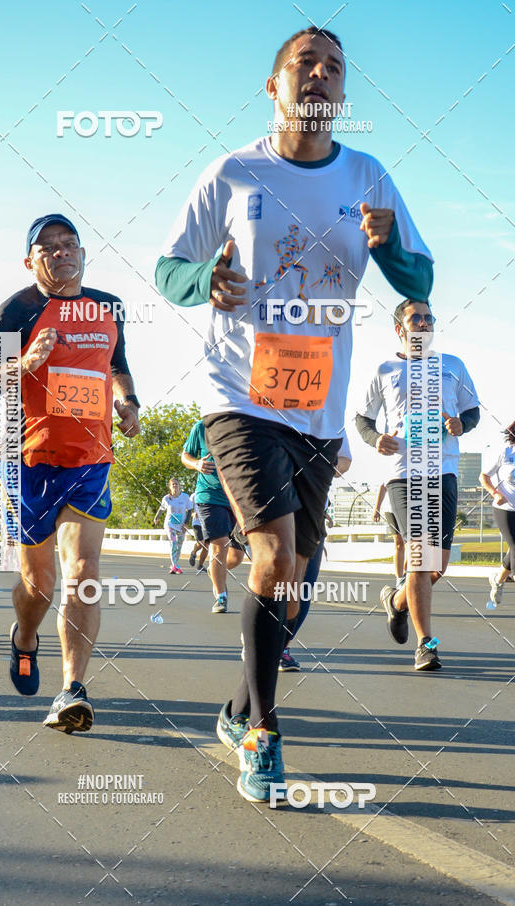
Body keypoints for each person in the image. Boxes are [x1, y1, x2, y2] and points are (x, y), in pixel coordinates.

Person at [156, 26, 433, 800]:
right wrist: (199, 282)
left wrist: (390, 249)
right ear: (273, 88)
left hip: (317, 403)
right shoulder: (233, 172)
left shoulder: (369, 175)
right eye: (304, 65)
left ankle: (241, 702)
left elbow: (421, 278)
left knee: (301, 580)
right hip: (237, 390)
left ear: (342, 93)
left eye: (334, 68)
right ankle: (263, 734)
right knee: (273, 559)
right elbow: (169, 266)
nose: (320, 75)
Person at [0, 213, 140, 733]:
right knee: (38, 586)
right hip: (31, 462)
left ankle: (72, 688)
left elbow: (117, 362)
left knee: (83, 573)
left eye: (69, 243)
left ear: (83, 251)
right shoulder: (18, 310)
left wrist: (128, 401)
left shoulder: (108, 306)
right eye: (47, 247)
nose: (60, 252)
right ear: (30, 261)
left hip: (91, 459)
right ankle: (24, 637)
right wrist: (20, 364)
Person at [356, 299, 479, 671]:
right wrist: (375, 439)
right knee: (421, 558)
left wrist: (461, 425)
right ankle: (427, 644)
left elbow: (471, 410)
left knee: (436, 565)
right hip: (403, 471)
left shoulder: (452, 366)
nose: (423, 323)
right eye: (416, 319)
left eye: (428, 318)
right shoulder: (384, 369)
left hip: (444, 469)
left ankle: (396, 602)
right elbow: (363, 419)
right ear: (400, 329)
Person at [279, 439, 351, 671]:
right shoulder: (274, 410)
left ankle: (281, 646)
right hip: (276, 507)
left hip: (314, 510)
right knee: (275, 579)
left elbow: (345, 461)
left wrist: (315, 468)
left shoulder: (331, 416)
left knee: (304, 587)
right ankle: (259, 637)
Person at [181, 418, 245, 612]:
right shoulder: (201, 427)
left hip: (237, 499)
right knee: (220, 544)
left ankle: (213, 569)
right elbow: (185, 456)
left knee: (237, 556)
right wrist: (197, 464)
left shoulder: (245, 427)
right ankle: (221, 597)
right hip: (209, 496)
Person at [479, 423, 515, 607]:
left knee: (513, 549)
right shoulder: (505, 452)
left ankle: (498, 579)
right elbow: (483, 476)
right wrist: (495, 493)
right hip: (505, 508)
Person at [153, 478, 192, 574]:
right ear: (170, 487)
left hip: (181, 525)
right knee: (173, 543)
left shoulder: (185, 497)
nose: (175, 486)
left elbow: (190, 509)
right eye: (173, 484)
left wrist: (186, 523)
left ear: (179, 485)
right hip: (170, 525)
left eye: (176, 484)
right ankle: (175, 566)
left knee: (179, 546)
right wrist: (156, 517)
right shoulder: (166, 498)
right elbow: (162, 509)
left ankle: (175, 564)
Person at [373, 481, 406, 588]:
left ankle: (408, 574)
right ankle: (400, 579)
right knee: (399, 543)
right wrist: (377, 509)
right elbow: (383, 487)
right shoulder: (390, 466)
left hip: (411, 507)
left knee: (412, 543)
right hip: (391, 510)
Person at [188, 491, 209, 573]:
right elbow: (188, 508)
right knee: (201, 543)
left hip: (208, 523)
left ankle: (200, 566)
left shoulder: (210, 493)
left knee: (206, 546)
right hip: (197, 523)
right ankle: (193, 553)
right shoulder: (194, 495)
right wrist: (193, 513)